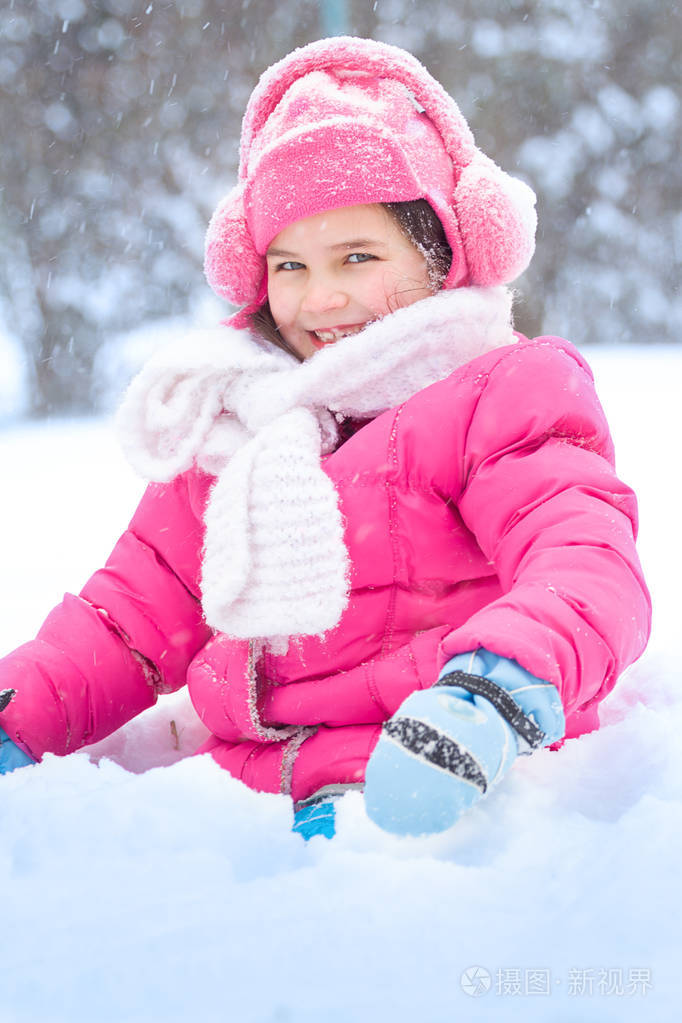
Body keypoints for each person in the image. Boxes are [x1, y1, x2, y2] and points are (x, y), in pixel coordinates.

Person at [0, 37, 651, 839]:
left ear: (443, 254)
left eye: (357, 255)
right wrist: (18, 715)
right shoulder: (239, 425)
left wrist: (494, 686)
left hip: (452, 758)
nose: (321, 298)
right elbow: (128, 619)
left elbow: (583, 564)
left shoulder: (499, 393)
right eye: (291, 266)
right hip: (256, 786)